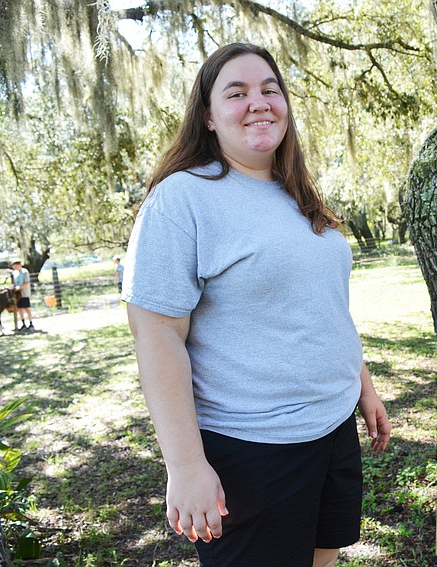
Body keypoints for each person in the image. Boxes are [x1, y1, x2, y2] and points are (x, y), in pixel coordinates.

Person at [122, 43, 391, 567]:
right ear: (208, 116)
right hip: (254, 448)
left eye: (270, 89)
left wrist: (364, 388)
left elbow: (323, 307)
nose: (259, 102)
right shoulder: (182, 198)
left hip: (332, 427)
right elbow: (156, 335)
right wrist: (185, 464)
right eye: (237, 92)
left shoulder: (298, 194)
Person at [10, 260, 34, 332]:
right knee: (20, 309)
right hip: (18, 294)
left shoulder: (25, 272)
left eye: (16, 266)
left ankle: (30, 323)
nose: (15, 268)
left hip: (24, 293)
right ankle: (23, 323)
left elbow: (27, 282)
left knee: (27, 308)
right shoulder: (14, 273)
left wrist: (20, 288)